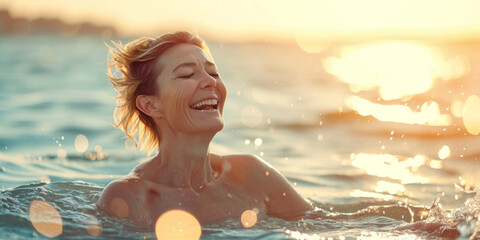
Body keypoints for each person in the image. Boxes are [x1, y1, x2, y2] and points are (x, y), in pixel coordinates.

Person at [98, 31, 314, 226]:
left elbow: (323, 225)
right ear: (150, 105)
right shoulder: (131, 197)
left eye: (214, 73)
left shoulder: (252, 175)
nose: (209, 82)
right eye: (187, 75)